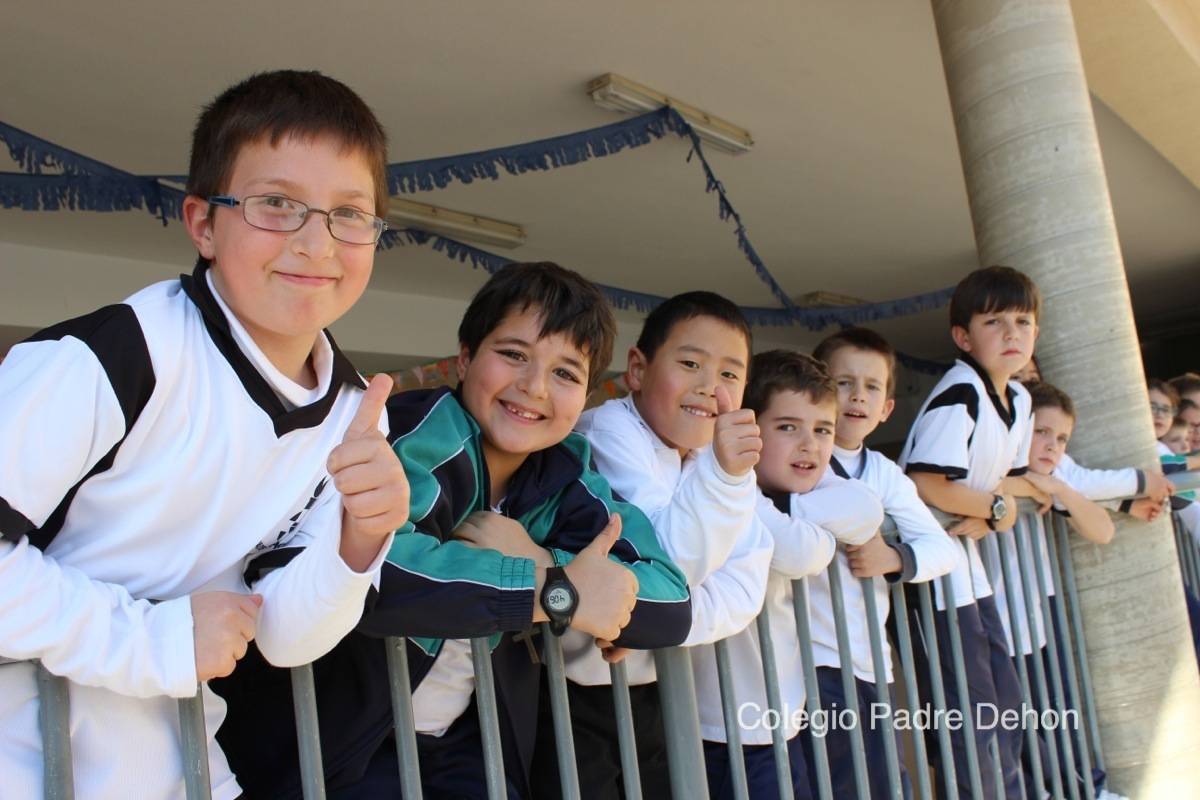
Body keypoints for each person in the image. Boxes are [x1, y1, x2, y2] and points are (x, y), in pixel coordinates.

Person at [0, 70, 409, 799]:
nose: (318, 243)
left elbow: (283, 634)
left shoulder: (353, 413)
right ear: (203, 224)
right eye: (277, 204)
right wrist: (154, 638)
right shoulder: (115, 357)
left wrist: (357, 545)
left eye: (349, 213)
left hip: (181, 766)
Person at [219, 261, 693, 799]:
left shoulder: (570, 477)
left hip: (469, 746)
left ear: (585, 396)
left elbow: (671, 604)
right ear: (465, 359)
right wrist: (559, 593)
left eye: (566, 373)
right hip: (333, 748)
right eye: (513, 354)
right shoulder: (408, 436)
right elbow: (376, 573)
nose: (534, 387)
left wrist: (548, 568)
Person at [534, 292, 771, 799]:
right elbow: (663, 563)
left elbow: (747, 584)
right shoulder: (608, 432)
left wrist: (648, 623)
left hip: (654, 683)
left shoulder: (710, 457)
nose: (710, 387)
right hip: (568, 691)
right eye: (690, 363)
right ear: (637, 370)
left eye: (730, 374)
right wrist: (726, 478)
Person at [698, 350, 884, 800]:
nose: (810, 445)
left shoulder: (798, 491)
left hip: (781, 715)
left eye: (823, 430)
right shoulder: (731, 488)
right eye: (787, 427)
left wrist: (790, 509)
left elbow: (866, 511)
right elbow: (800, 552)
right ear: (749, 427)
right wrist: (799, 524)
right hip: (724, 723)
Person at [899, 265, 1046, 799]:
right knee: (969, 710)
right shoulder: (960, 391)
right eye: (994, 321)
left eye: (1023, 321)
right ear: (963, 337)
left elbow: (1005, 477)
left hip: (969, 569)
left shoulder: (1022, 400)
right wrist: (998, 506)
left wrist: (997, 507)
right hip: (934, 573)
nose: (1012, 333)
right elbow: (926, 482)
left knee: (1005, 698)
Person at [809, 327, 962, 799]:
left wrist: (892, 556)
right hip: (808, 654)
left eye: (871, 387)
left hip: (868, 657)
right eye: (843, 382)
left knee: (882, 777)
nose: (857, 397)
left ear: (886, 409)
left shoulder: (883, 471)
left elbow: (943, 550)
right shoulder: (794, 452)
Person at [986, 381, 1115, 799]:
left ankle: (1086, 789)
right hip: (993, 620)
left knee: (1054, 714)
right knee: (1014, 725)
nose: (1051, 445)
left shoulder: (1050, 478)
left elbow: (1102, 529)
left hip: (1035, 615)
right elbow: (995, 484)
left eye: (1061, 438)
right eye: (1042, 432)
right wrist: (1030, 486)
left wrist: (1058, 489)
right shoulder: (989, 464)